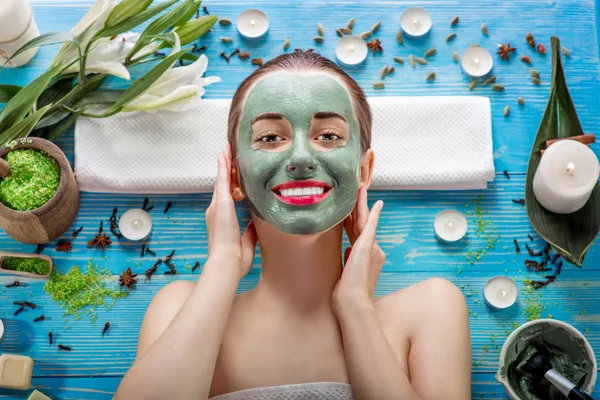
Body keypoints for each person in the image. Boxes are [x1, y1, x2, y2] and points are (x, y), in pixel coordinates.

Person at [115, 50, 471, 400]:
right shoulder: (181, 308)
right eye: (270, 138)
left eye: (329, 136)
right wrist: (222, 264)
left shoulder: (429, 310)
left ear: (363, 171)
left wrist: (355, 307)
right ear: (235, 174)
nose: (301, 158)